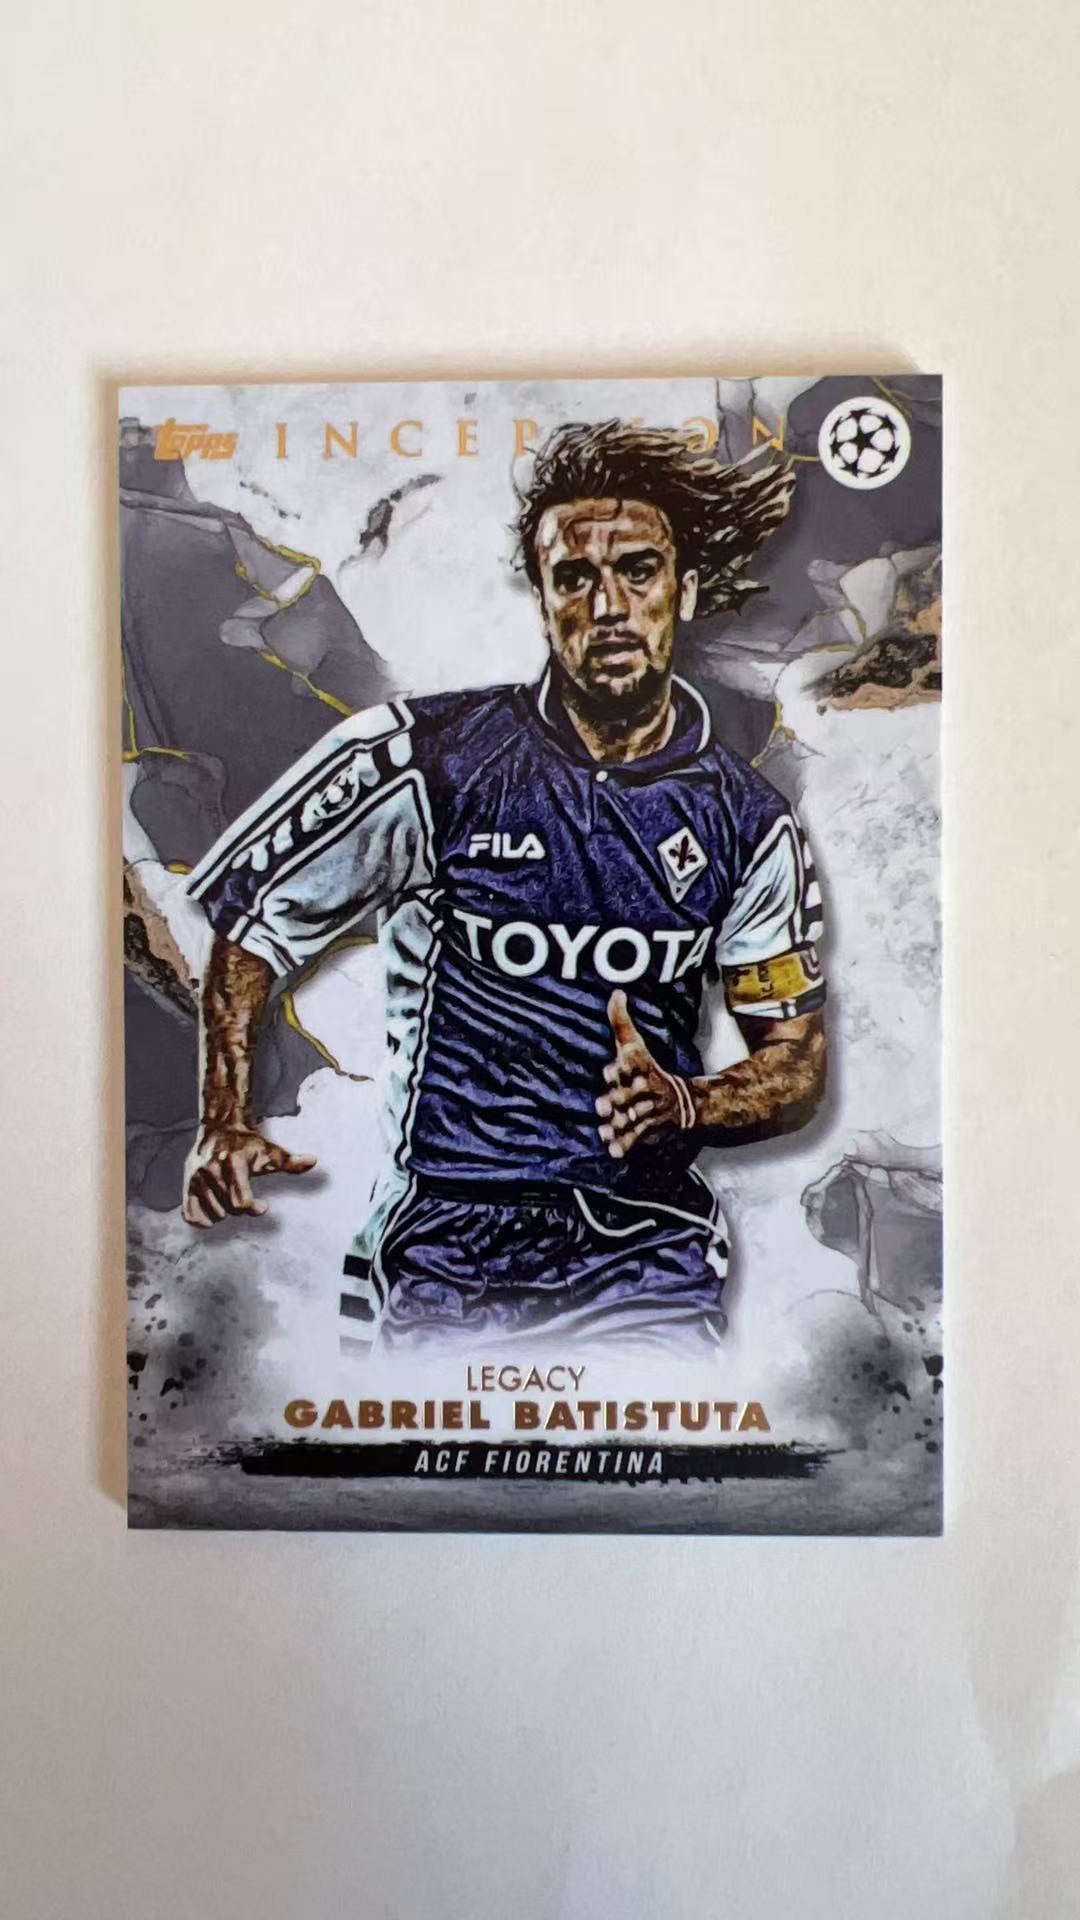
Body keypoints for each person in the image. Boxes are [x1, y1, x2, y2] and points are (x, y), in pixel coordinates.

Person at [182, 420, 826, 1351]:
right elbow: (253, 926)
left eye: (638, 572)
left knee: (658, 1429)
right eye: (575, 579)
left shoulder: (748, 822)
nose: (609, 606)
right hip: (448, 1244)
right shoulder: (427, 761)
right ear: (544, 599)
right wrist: (224, 1117)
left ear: (683, 592)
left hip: (647, 1249)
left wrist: (688, 1104)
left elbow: (794, 1062)